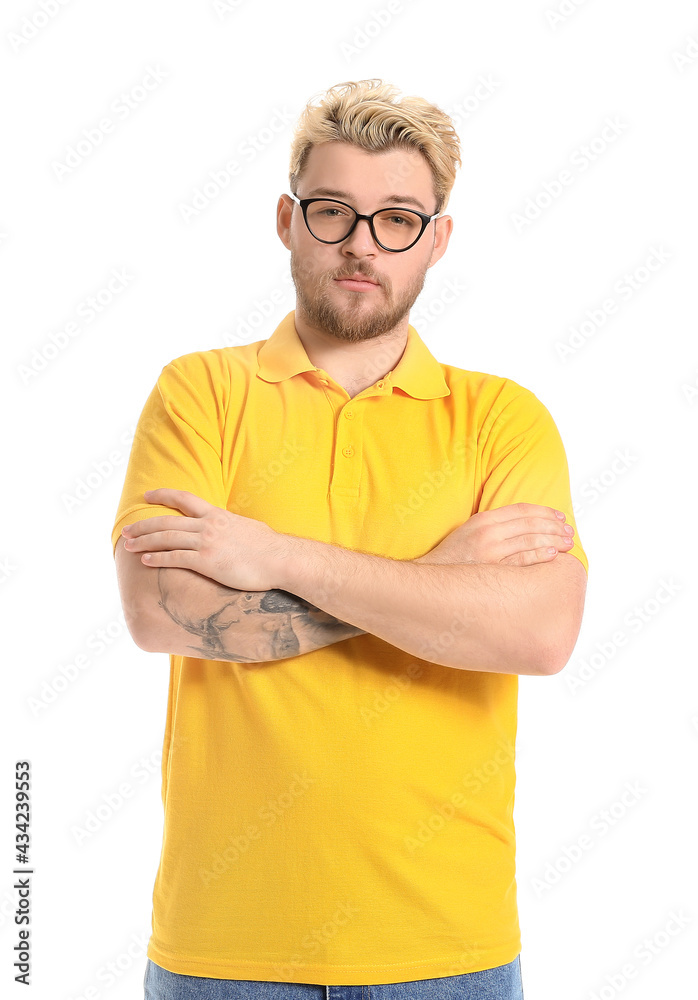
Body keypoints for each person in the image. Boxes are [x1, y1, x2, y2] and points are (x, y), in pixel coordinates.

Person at [112, 78, 588, 999]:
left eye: (398, 218)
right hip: (224, 952)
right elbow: (161, 613)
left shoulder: (500, 418)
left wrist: (278, 557)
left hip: (449, 951)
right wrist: (439, 587)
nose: (363, 243)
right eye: (333, 212)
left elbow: (537, 634)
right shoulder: (201, 394)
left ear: (437, 240)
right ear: (289, 223)